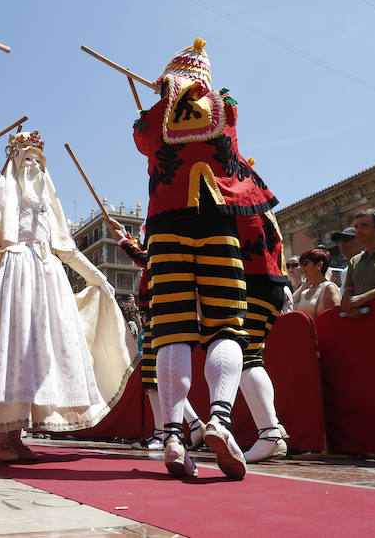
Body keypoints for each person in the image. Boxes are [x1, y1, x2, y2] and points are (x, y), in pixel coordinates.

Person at [131, 37, 288, 478]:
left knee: (172, 332)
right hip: (217, 223)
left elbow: (144, 141)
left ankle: (173, 435)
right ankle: (220, 417)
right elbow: (223, 110)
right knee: (226, 326)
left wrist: (158, 102)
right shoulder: (226, 108)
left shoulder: (151, 119)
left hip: (165, 227)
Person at [0, 131, 135, 461]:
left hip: (44, 280)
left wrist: (99, 279)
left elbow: (67, 249)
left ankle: (15, 432)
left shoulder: (47, 206)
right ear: (14, 160)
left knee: (33, 359)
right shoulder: (1, 190)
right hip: (9, 274)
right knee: (9, 350)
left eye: (38, 160)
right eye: (26, 158)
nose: (33, 165)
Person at [105, 216, 205, 452]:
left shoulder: (165, 248)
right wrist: (124, 236)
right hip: (157, 316)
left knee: (155, 378)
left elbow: (146, 258)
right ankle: (191, 424)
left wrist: (122, 241)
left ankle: (165, 433)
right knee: (155, 378)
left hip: (161, 314)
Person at [292, 249, 341, 319]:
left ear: (319, 265)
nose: (302, 267)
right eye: (301, 264)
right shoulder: (304, 293)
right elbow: (292, 304)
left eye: (305, 263)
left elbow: (335, 319)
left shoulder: (329, 287)